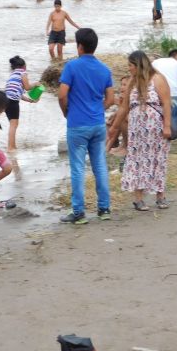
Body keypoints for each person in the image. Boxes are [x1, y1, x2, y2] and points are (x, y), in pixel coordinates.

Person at [58, 29, 113, 224]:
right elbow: (111, 98)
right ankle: (104, 209)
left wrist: (66, 112)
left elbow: (62, 94)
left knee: (78, 169)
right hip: (97, 124)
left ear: (80, 46)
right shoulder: (105, 69)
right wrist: (98, 110)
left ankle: (79, 212)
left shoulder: (72, 67)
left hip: (77, 124)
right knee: (100, 166)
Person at [107, 52, 171, 211]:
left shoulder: (157, 79)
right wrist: (114, 126)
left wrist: (167, 126)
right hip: (137, 131)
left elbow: (167, 103)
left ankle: (160, 195)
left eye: (130, 65)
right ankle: (138, 198)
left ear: (138, 65)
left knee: (158, 160)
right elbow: (124, 107)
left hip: (156, 128)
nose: (128, 69)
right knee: (137, 160)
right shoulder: (132, 83)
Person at [5, 56, 39, 152]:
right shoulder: (22, 73)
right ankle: (10, 148)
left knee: (13, 124)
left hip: (6, 100)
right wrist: (36, 84)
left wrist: (30, 100)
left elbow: (19, 94)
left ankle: (13, 146)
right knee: (13, 125)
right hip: (12, 102)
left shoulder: (13, 75)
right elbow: (27, 87)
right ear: (24, 66)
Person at [152, 53, 177, 136]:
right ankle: (172, 134)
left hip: (155, 92)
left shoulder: (155, 62)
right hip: (172, 93)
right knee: (172, 117)